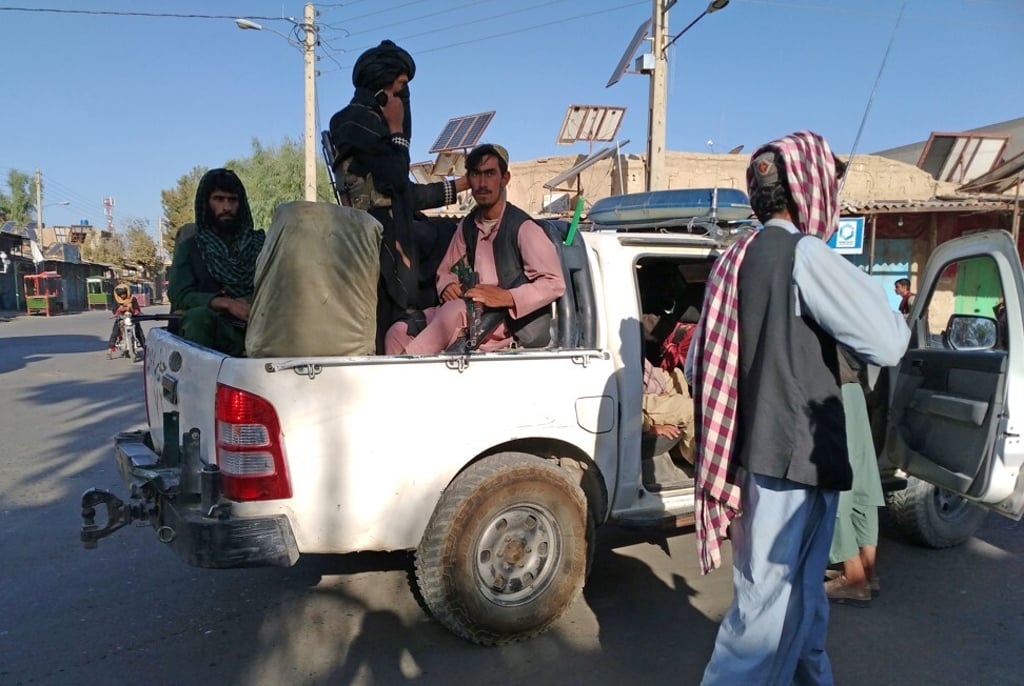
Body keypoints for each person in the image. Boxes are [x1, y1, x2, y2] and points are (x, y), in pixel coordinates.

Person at [691, 131, 909, 685]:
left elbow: (700, 365)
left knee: (801, 600)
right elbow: (888, 342)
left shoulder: (733, 258)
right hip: (795, 460)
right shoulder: (806, 254)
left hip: (753, 456)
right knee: (762, 615)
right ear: (809, 190)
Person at [328, 40, 470, 351]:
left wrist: (460, 185)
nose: (405, 95)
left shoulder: (367, 122)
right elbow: (396, 178)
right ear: (383, 84)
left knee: (453, 230)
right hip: (380, 233)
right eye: (402, 85)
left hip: (391, 223)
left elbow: (405, 194)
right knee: (447, 242)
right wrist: (396, 129)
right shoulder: (354, 121)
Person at [384, 143, 565, 355]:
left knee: (452, 313)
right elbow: (445, 270)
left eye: (490, 174)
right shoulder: (468, 225)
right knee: (398, 332)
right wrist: (447, 285)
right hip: (467, 313)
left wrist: (508, 297)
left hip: (503, 322)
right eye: (476, 175)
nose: (482, 183)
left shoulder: (524, 228)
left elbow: (554, 283)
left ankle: (404, 368)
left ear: (504, 179)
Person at [167, 168, 264, 357]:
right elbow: (179, 295)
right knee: (198, 317)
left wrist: (248, 301)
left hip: (256, 327)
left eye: (232, 200)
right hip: (212, 332)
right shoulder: (191, 246)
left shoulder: (260, 244)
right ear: (206, 203)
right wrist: (224, 303)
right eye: (219, 199)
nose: (226, 207)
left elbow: (275, 288)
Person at [824, 350, 885, 607]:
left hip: (827, 387)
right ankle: (868, 573)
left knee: (834, 481)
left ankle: (854, 578)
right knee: (862, 480)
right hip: (852, 386)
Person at [107, 281, 145, 355]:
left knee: (139, 331)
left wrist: (131, 309)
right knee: (115, 331)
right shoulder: (116, 300)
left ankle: (145, 348)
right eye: (121, 294)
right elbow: (114, 310)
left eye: (124, 294)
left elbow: (137, 309)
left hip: (132, 317)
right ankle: (110, 349)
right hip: (121, 317)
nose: (123, 296)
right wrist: (119, 310)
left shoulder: (133, 299)